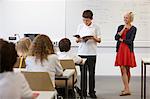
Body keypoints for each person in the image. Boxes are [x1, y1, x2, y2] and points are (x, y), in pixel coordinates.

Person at [75, 10, 101, 98]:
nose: (85, 22)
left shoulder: (96, 27)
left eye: (87, 20)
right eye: (84, 20)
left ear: (91, 19)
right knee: (83, 74)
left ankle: (92, 92)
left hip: (92, 53)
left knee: (91, 73)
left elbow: (99, 40)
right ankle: (83, 92)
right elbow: (77, 40)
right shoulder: (80, 26)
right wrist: (80, 39)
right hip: (81, 53)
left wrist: (93, 38)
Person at [115, 12, 137, 96]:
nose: (125, 19)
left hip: (128, 50)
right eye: (124, 17)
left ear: (130, 19)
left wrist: (122, 40)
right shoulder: (120, 27)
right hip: (120, 50)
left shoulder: (134, 28)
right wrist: (123, 29)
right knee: (122, 69)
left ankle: (127, 89)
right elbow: (116, 37)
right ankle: (126, 88)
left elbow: (130, 41)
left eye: (126, 18)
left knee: (127, 69)